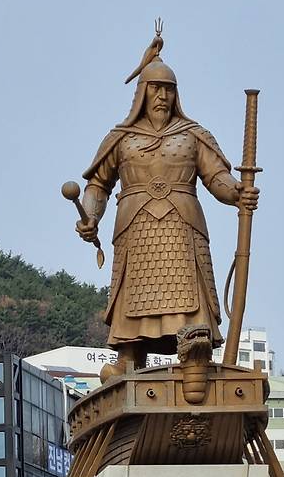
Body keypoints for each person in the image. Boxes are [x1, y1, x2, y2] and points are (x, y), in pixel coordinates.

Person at [76, 29, 259, 380]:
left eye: (168, 89)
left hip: (181, 228)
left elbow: (216, 177)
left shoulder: (193, 134)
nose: (162, 96)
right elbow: (97, 184)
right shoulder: (121, 138)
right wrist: (91, 217)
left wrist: (238, 192)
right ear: (142, 93)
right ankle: (127, 363)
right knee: (133, 304)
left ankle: (193, 359)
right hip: (136, 230)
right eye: (156, 88)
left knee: (188, 303)